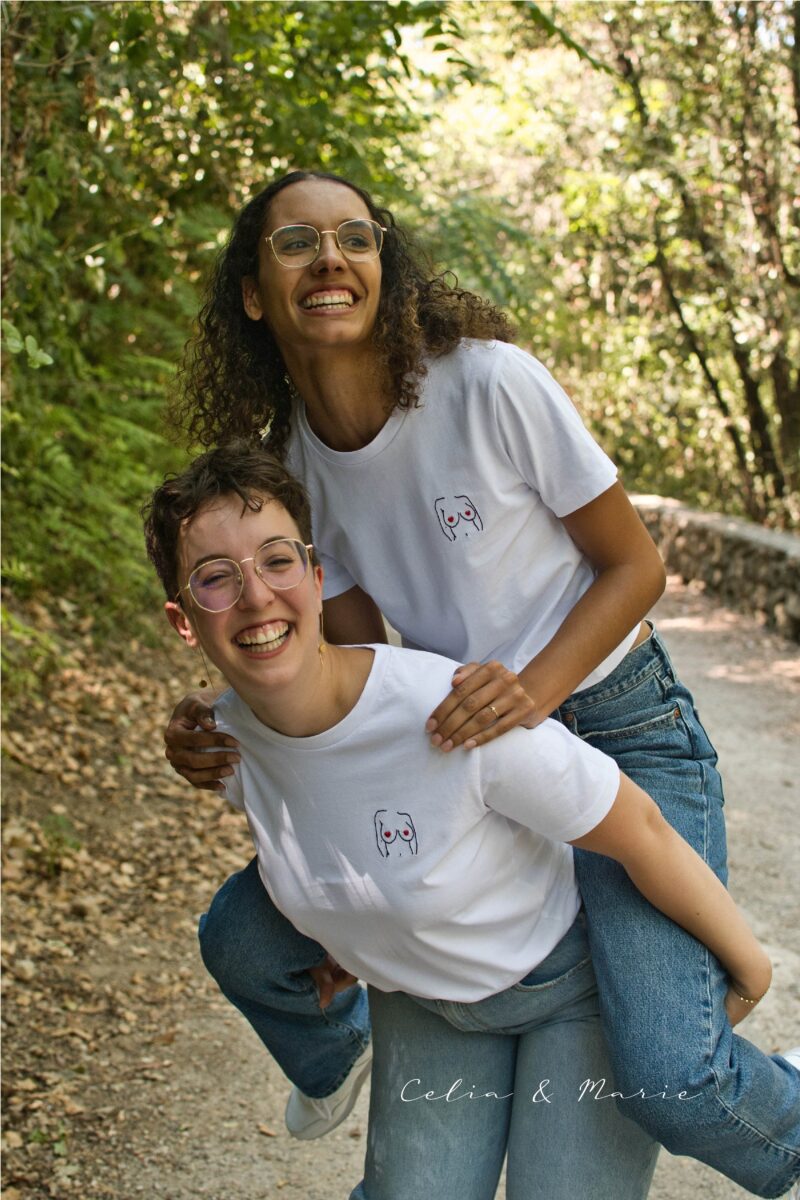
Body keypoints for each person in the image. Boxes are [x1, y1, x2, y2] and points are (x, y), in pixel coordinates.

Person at [164, 170, 800, 1196]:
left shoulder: (487, 381)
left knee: (671, 1072)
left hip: (616, 718)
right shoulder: (292, 467)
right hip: (473, 739)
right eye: (295, 243)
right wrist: (218, 732)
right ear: (251, 291)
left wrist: (534, 692)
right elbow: (354, 680)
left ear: (385, 264)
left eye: (354, 237)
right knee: (243, 935)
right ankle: (359, 1033)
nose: (330, 258)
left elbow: (635, 564)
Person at [145, 442, 779, 1200]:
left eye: (277, 561)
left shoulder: (450, 712)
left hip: (570, 991)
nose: (255, 596)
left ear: (317, 580)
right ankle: (338, 1063)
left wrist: (751, 965)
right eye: (218, 578)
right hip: (430, 1009)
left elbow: (637, 826)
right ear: (185, 622)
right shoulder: (222, 743)